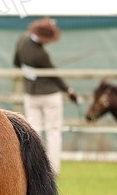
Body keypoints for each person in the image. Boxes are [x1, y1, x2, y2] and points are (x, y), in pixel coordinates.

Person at [13, 17, 78, 175]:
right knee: (53, 131)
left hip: (31, 94)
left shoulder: (22, 40)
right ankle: (53, 170)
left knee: (34, 132)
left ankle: (34, 169)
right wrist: (68, 89)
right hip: (49, 96)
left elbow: (16, 62)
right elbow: (54, 75)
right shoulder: (41, 54)